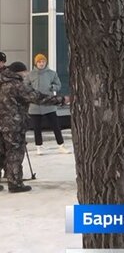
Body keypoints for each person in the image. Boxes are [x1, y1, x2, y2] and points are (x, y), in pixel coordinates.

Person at [0, 61, 71, 193]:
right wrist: (61, 100)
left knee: (1, 152)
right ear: (19, 72)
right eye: (24, 72)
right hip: (13, 125)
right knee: (14, 152)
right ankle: (15, 183)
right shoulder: (17, 86)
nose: (26, 75)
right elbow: (38, 98)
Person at [26, 54, 66, 155]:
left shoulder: (52, 73)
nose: (41, 63)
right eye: (39, 62)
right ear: (36, 63)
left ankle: (61, 145)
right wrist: (31, 93)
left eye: (43, 61)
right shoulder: (30, 74)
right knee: (37, 127)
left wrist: (53, 87)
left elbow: (58, 85)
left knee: (55, 126)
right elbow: (25, 86)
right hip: (35, 105)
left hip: (49, 103)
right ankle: (39, 146)